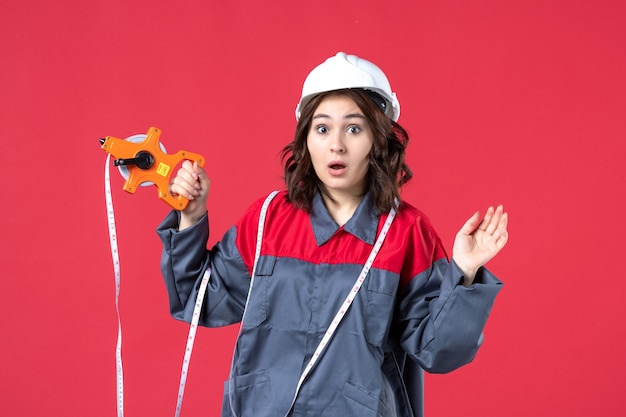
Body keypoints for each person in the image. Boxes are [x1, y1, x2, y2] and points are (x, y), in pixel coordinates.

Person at [157, 52, 508, 417]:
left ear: (379, 138)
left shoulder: (407, 232)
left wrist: (464, 272)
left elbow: (438, 350)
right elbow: (198, 301)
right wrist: (191, 216)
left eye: (354, 128)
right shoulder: (268, 219)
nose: (336, 144)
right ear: (305, 139)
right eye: (322, 128)